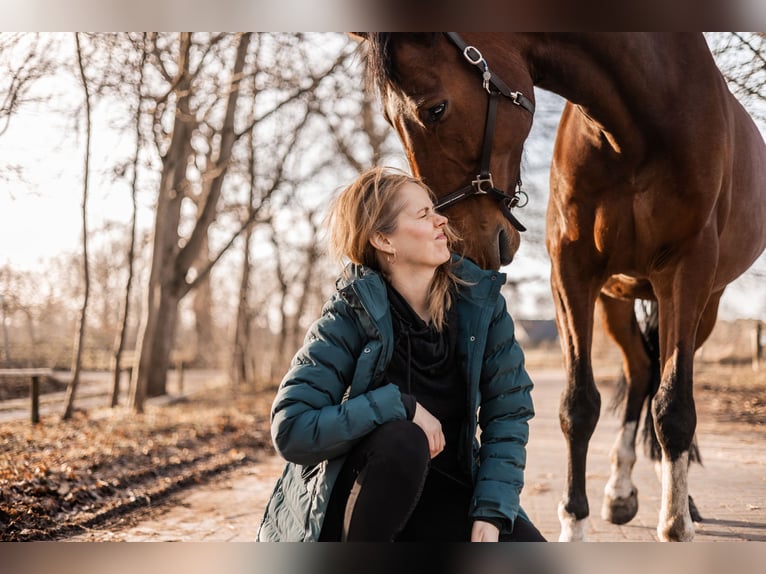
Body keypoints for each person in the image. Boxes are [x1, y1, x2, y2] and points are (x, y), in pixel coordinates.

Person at [257, 167, 544, 542]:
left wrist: (492, 509)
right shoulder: (348, 315)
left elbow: (508, 412)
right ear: (383, 239)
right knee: (403, 440)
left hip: (447, 491)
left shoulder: (482, 304)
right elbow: (292, 429)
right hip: (357, 504)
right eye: (423, 214)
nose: (441, 220)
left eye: (433, 209)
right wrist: (400, 406)